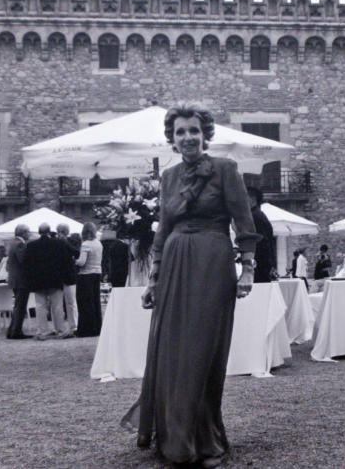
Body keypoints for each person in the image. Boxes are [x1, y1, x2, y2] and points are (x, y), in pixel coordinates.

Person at [121, 103, 259, 468]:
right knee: (171, 351)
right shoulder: (168, 177)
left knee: (202, 352)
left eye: (193, 131)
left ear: (205, 134)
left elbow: (244, 225)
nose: (187, 138)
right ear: (172, 137)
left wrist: (247, 270)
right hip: (174, 264)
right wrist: (153, 278)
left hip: (212, 263)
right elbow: (163, 230)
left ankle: (206, 437)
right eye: (180, 132)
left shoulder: (226, 169)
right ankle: (175, 437)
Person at [25, 223, 74, 340]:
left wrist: (31, 280)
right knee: (57, 306)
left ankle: (42, 332)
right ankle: (60, 330)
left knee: (40, 306)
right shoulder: (58, 243)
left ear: (39, 232)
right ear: (49, 231)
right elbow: (66, 261)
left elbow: (28, 265)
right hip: (55, 279)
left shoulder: (31, 245)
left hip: (38, 281)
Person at [75, 222, 104, 337]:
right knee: (95, 302)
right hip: (97, 273)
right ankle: (96, 327)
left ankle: (86, 329)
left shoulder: (86, 244)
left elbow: (82, 262)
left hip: (86, 275)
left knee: (85, 303)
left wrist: (74, 260)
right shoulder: (98, 243)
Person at [5, 224, 32, 340]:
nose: (29, 234)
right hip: (21, 280)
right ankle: (16, 331)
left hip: (14, 279)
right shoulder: (21, 244)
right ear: (23, 233)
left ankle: (12, 330)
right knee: (20, 306)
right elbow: (23, 261)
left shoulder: (12, 244)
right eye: (28, 232)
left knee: (17, 306)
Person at [246, 186, 275, 283]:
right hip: (262, 263)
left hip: (259, 264)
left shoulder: (255, 216)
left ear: (252, 199)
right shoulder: (259, 215)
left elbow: (262, 242)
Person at [56, 223, 81, 333]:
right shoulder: (66, 242)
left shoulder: (57, 241)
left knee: (58, 304)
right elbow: (76, 253)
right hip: (68, 275)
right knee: (71, 303)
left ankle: (59, 327)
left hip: (58, 276)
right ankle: (73, 325)